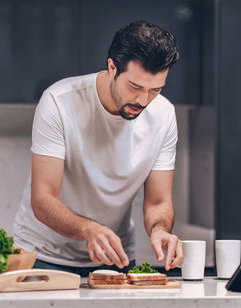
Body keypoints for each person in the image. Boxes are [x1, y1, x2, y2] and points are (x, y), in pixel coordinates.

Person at [13, 20, 183, 277]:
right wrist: (88, 229)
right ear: (112, 67)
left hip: (116, 258)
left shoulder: (164, 115)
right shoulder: (59, 102)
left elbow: (159, 201)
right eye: (135, 87)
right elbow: (43, 199)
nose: (143, 100)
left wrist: (160, 229)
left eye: (155, 90)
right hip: (44, 256)